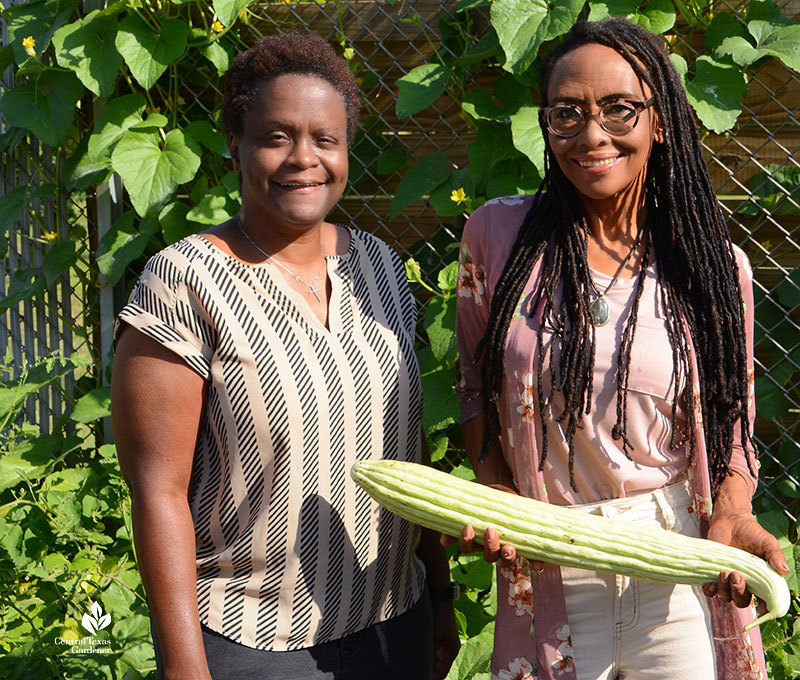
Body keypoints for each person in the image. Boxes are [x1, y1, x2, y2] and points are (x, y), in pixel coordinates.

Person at [111, 31, 458, 680]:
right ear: (235, 147)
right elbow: (158, 493)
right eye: (276, 137)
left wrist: (439, 596)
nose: (305, 158)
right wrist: (186, 669)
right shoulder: (183, 283)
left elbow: (408, 450)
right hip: (255, 642)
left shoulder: (380, 269)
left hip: (392, 622)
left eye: (325, 139)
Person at [454, 17, 788, 680]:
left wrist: (734, 512)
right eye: (567, 113)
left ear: (660, 121)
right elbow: (474, 387)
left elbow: (735, 421)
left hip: (673, 559)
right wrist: (490, 493)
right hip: (551, 555)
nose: (592, 134)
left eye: (619, 109)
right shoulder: (497, 236)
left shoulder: (715, 268)